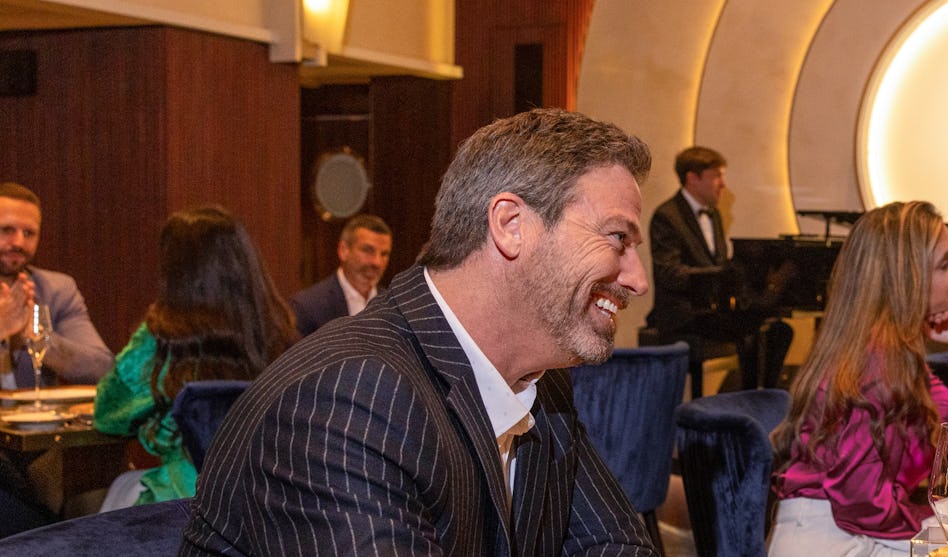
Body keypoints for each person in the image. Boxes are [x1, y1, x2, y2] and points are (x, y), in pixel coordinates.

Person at [181, 109, 658, 556]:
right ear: (511, 225)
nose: (638, 279)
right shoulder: (349, 400)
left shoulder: (540, 379)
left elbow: (615, 546)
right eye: (618, 238)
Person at [768, 201, 948, 556]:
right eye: (944, 263)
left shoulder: (898, 357)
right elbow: (860, 502)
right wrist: (933, 523)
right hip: (830, 539)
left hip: (861, 529)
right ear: (904, 281)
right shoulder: (872, 364)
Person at [94, 206, 298, 508]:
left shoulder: (161, 341)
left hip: (179, 503)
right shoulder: (279, 334)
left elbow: (108, 414)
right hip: (268, 503)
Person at [647, 146, 794, 392]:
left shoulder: (713, 215)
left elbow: (720, 263)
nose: (723, 184)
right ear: (693, 178)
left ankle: (762, 397)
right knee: (751, 332)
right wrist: (720, 276)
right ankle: (746, 399)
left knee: (778, 329)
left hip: (712, 312)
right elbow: (669, 273)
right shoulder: (667, 216)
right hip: (684, 316)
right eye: (717, 176)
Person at [0, 182, 113, 388]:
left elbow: (101, 368)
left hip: (37, 419)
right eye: (6, 230)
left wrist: (38, 337)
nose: (19, 242)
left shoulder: (56, 289)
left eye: (29, 233)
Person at [289, 214, 393, 336]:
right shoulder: (307, 307)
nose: (377, 262)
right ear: (343, 250)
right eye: (367, 250)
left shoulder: (393, 307)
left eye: (384, 254)